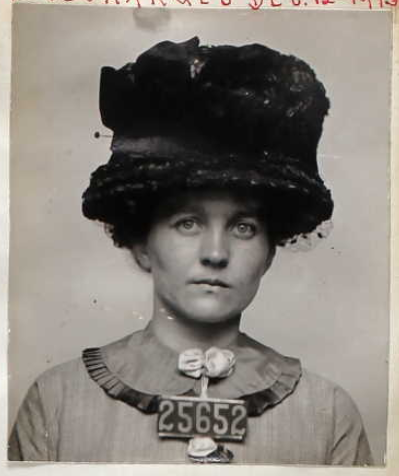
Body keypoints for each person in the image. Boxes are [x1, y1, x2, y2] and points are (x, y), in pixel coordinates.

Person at [8, 37, 373, 465]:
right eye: (187, 223)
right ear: (141, 244)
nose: (215, 253)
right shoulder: (57, 402)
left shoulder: (327, 414)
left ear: (270, 252)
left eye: (243, 226)